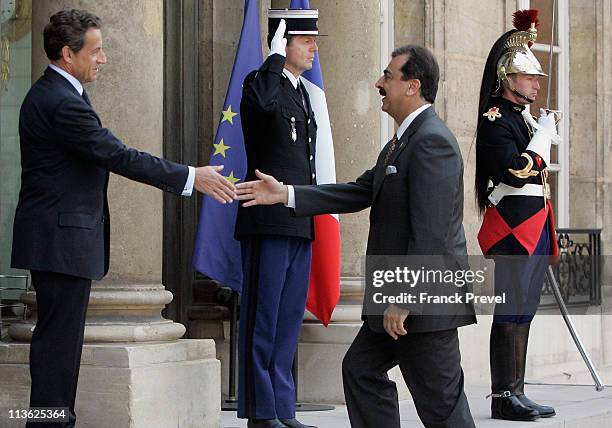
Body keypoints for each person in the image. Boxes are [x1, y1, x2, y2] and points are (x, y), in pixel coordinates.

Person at [10, 9, 236, 428]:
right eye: (95, 51)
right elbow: (118, 155)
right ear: (66, 54)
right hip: (60, 241)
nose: (103, 59)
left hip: (59, 240)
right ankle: (45, 423)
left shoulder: (62, 93)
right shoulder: (60, 102)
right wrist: (190, 176)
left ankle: (50, 421)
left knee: (58, 345)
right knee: (56, 347)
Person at [236, 45, 476, 428]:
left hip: (423, 301)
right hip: (398, 298)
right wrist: (285, 193)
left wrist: (406, 297)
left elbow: (434, 233)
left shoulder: (433, 141)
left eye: (388, 76)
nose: (379, 83)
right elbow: (357, 191)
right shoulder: (403, 140)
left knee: (442, 406)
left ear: (413, 86)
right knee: (361, 371)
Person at [234, 10, 320, 428]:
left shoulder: (303, 92)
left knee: (288, 321)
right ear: (283, 42)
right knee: (262, 319)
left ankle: (283, 408)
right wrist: (271, 59)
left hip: (297, 219)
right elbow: (262, 108)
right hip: (266, 221)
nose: (314, 47)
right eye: (306, 40)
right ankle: (260, 411)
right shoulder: (260, 82)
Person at [474, 9, 559, 421]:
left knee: (523, 310)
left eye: (537, 78)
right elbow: (513, 169)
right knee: (509, 310)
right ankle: (502, 395)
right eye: (529, 78)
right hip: (512, 228)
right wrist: (541, 140)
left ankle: (518, 389)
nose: (535, 84)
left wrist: (537, 132)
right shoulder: (496, 120)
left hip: (535, 223)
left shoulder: (522, 120)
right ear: (508, 79)